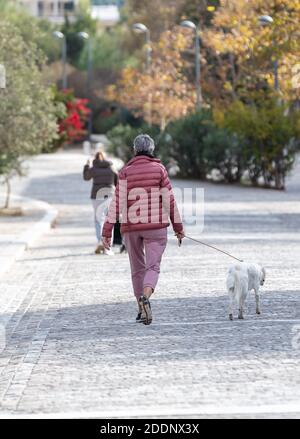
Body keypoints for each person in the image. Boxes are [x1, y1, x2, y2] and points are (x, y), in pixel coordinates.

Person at [102, 134, 184, 325]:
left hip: (131, 228)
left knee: (137, 269)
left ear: (134, 150)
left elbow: (116, 203)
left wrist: (107, 232)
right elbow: (169, 200)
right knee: (153, 266)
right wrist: (178, 227)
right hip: (156, 227)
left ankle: (141, 308)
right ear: (152, 150)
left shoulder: (125, 172)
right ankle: (146, 297)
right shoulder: (159, 169)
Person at [83, 151, 118, 255]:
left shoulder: (94, 169)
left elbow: (86, 177)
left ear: (96, 158)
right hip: (110, 195)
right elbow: (118, 180)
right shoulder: (111, 167)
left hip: (96, 196)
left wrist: (86, 165)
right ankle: (108, 245)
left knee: (98, 220)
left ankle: (100, 241)